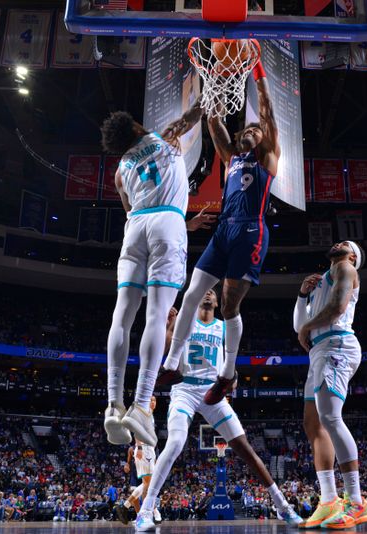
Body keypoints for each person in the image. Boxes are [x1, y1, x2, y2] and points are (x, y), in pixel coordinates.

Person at [158, 50, 280, 407]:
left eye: (257, 130)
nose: (254, 129)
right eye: (250, 127)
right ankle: (171, 362)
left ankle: (226, 374)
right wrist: (211, 84)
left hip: (250, 231)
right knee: (192, 293)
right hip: (224, 230)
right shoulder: (231, 157)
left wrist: (257, 71)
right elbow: (214, 124)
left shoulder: (268, 157)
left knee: (228, 307)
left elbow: (268, 112)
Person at [134, 289, 302, 531]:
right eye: (204, 289)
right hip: (185, 390)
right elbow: (165, 352)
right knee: (175, 443)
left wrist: (231, 381)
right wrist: (169, 325)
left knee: (245, 449)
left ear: (218, 301)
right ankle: (146, 510)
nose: (208, 292)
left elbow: (230, 367)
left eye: (213, 291)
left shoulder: (224, 327)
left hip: (213, 392)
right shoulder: (184, 319)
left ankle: (281, 505)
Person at [100, 97, 205, 448]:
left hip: (136, 228)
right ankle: (142, 404)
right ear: (135, 128)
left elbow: (132, 209)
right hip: (166, 223)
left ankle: (113, 406)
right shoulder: (164, 139)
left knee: (122, 317)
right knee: (157, 315)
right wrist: (210, 90)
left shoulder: (119, 172)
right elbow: (195, 114)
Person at [293, 241, 367, 529]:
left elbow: (338, 307)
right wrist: (303, 296)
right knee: (312, 423)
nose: (339, 243)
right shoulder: (320, 282)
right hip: (320, 350)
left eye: (346, 244)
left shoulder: (345, 267)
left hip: (337, 345)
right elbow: (298, 325)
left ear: (353, 256)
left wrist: (306, 327)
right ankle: (329, 501)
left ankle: (356, 501)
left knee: (330, 417)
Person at [117, 396, 161, 525]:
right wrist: (140, 447)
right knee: (149, 483)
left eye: (155, 400)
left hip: (149, 450)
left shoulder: (150, 415)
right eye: (151, 400)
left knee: (147, 483)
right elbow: (136, 430)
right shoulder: (144, 413)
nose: (153, 402)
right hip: (144, 449)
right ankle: (128, 507)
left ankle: (126, 506)